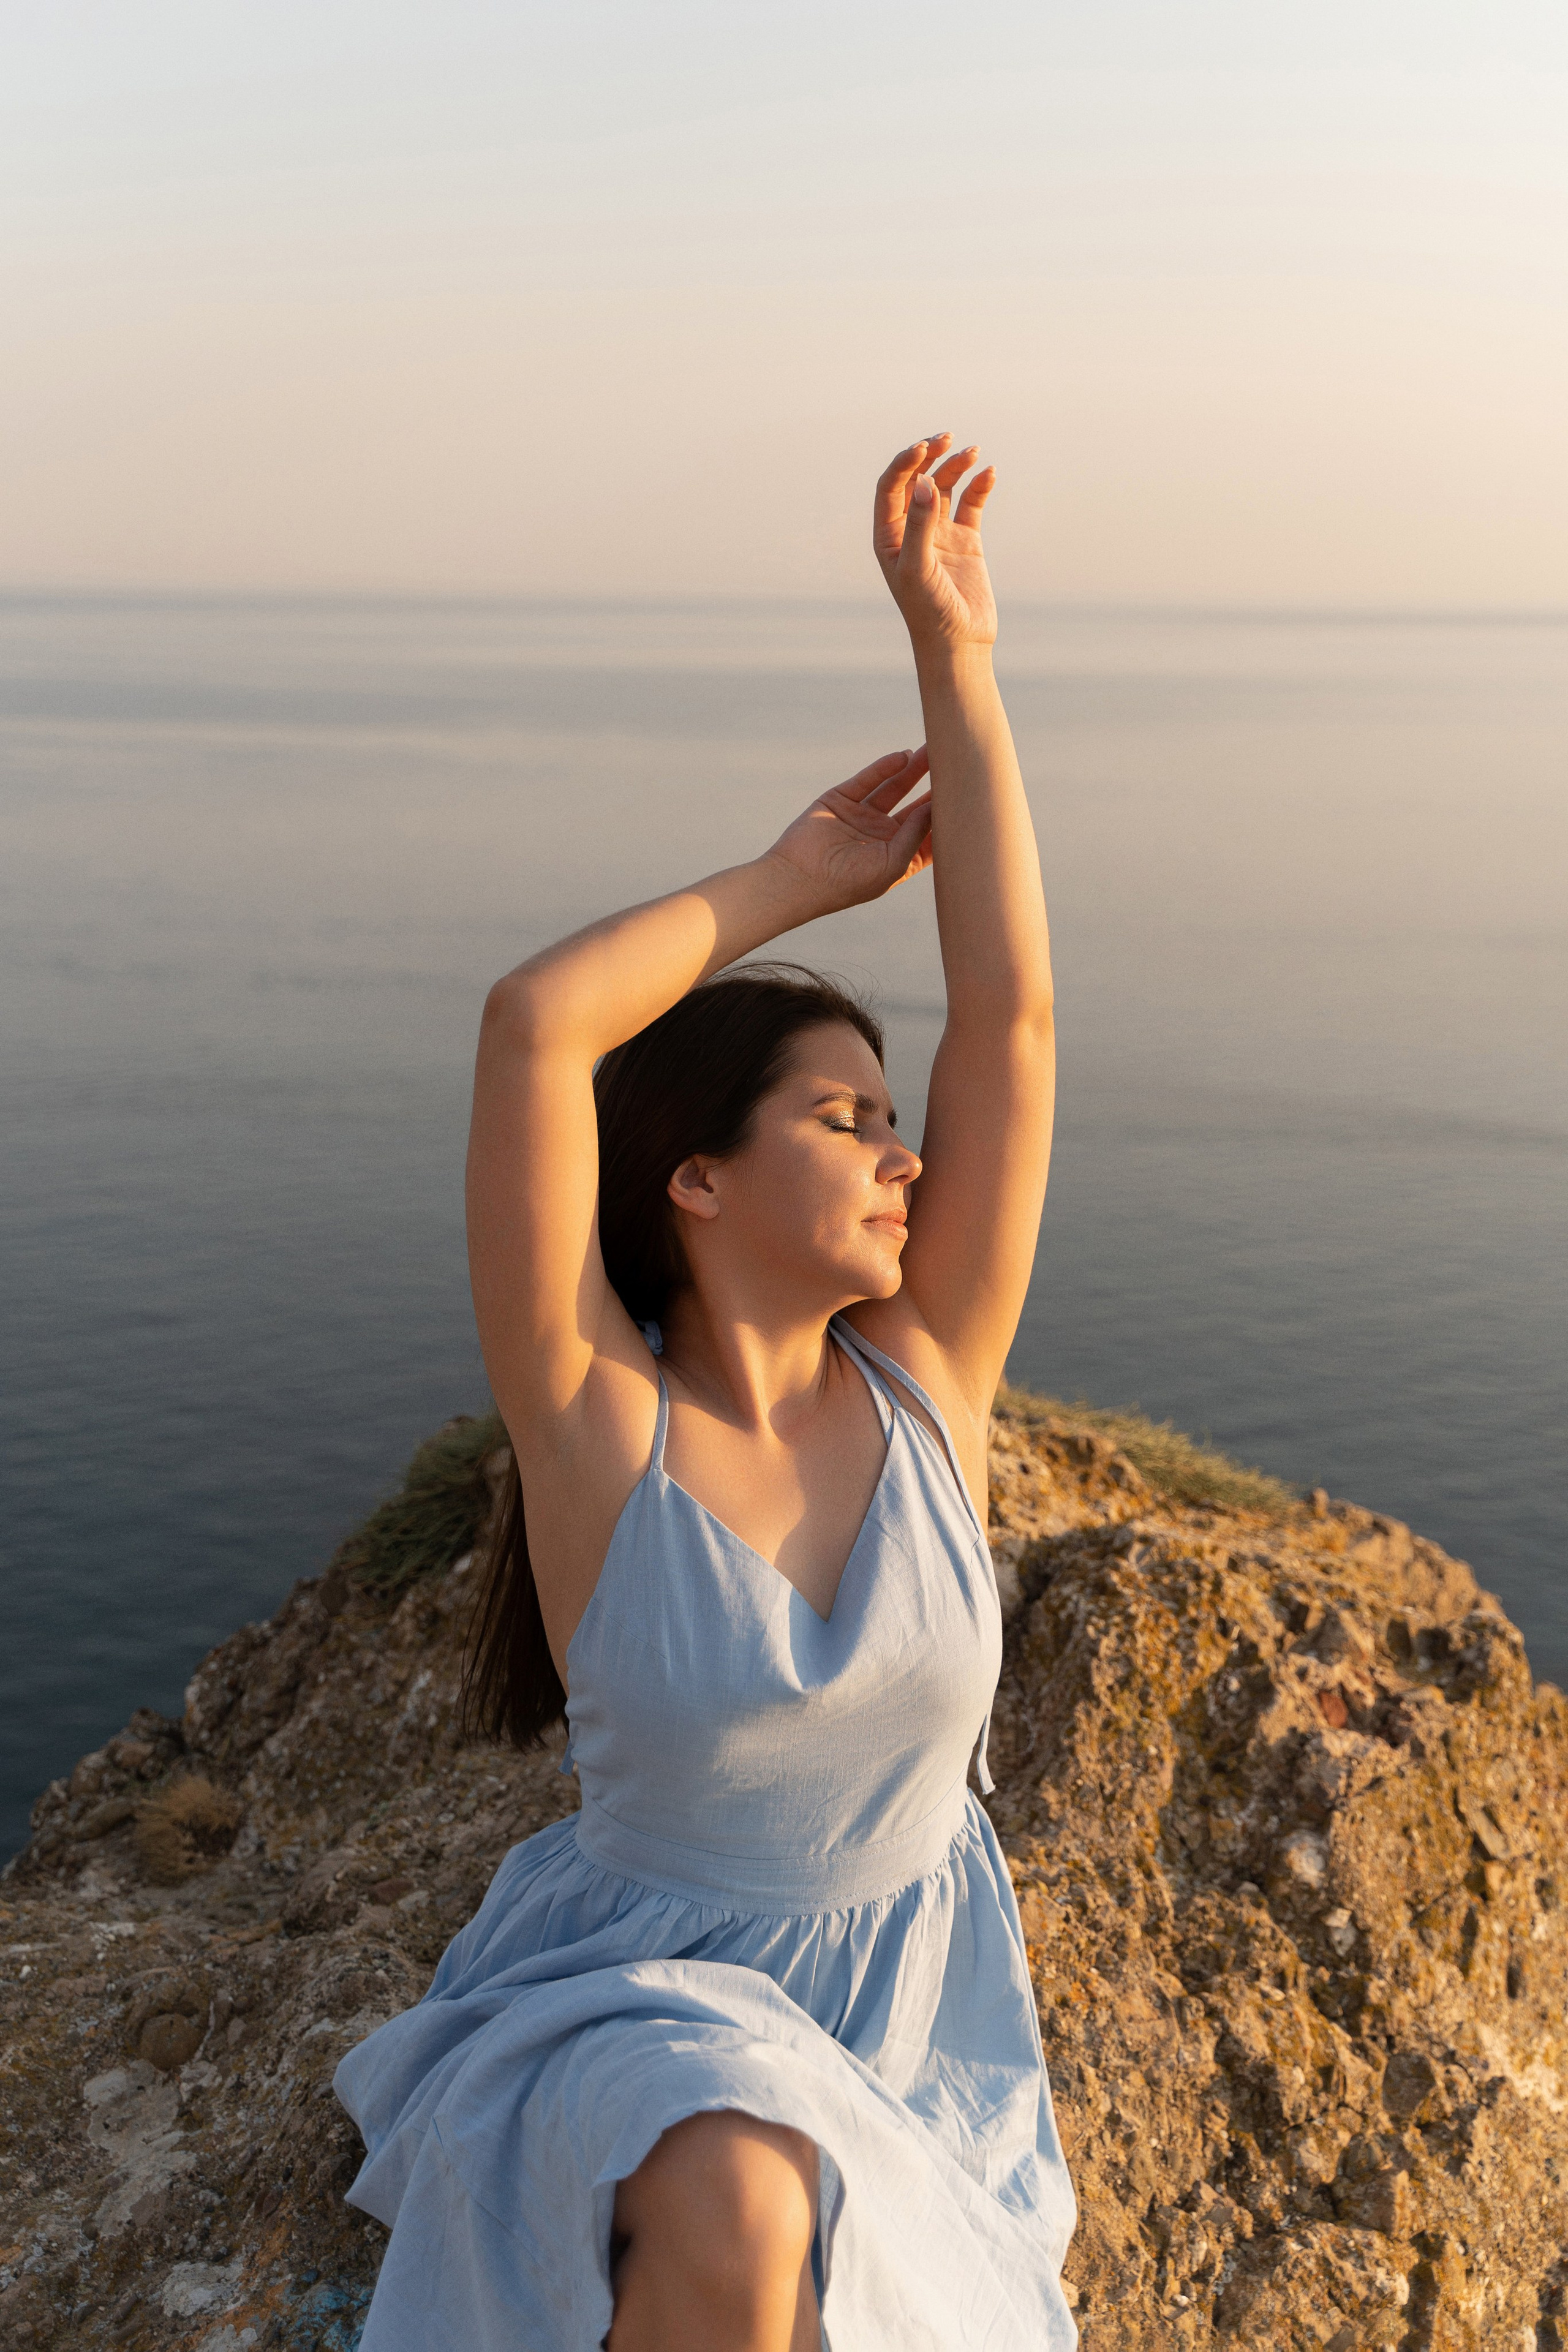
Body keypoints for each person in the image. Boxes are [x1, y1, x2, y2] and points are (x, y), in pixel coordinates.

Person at [334, 436, 1078, 2349]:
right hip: (643, 2006)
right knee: (742, 2195)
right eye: (848, 1120)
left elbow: (1011, 1015)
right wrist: (789, 881)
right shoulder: (598, 1424)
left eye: (899, 1126)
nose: (906, 1158)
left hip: (922, 2023)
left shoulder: (928, 1393)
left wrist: (959, 662)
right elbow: (535, 1025)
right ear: (693, 1178)